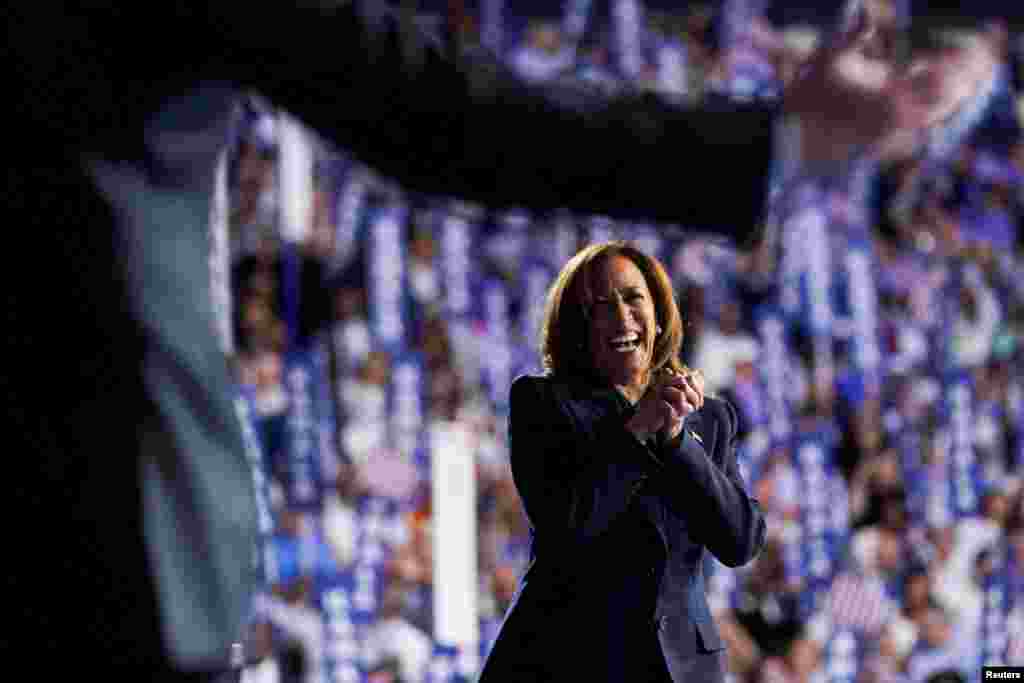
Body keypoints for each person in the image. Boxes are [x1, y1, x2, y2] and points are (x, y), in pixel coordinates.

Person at [3, 0, 996, 681]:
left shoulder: (686, 437)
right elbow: (439, 116)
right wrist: (773, 138)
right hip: (107, 550)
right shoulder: (549, 412)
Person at [476, 241, 767, 682]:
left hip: (680, 666)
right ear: (578, 327)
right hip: (570, 661)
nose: (623, 317)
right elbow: (571, 528)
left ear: (659, 309)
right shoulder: (543, 402)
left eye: (634, 297)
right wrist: (638, 428)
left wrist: (675, 440)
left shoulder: (709, 416)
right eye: (600, 306)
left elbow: (740, 540)